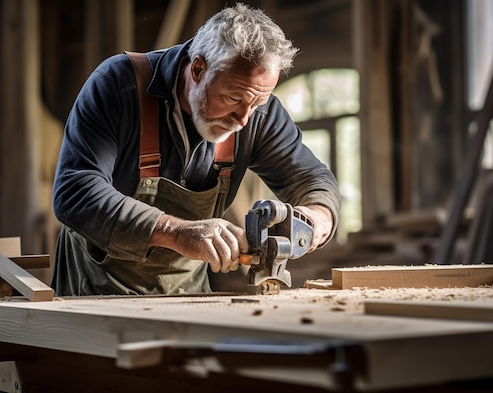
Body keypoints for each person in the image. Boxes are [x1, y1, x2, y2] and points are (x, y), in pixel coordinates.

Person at [51, 2, 342, 296]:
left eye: (256, 104)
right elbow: (75, 190)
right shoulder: (118, 86)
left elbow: (312, 180)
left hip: (187, 296)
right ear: (198, 68)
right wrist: (177, 232)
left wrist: (315, 218)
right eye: (231, 98)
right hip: (91, 292)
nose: (243, 120)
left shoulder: (254, 111)